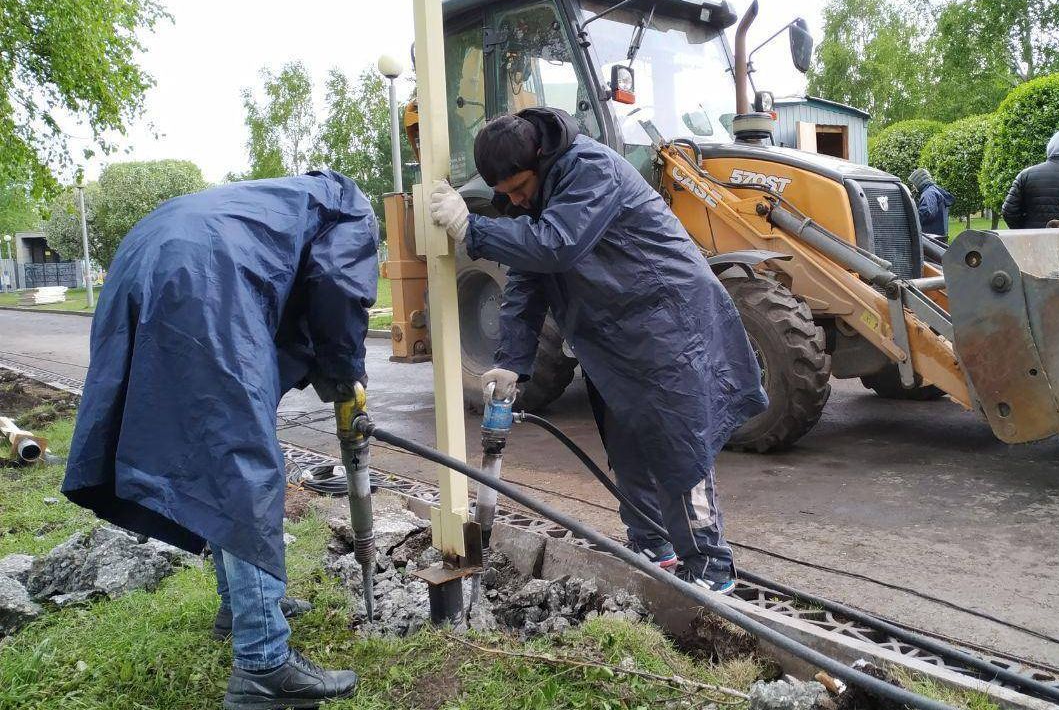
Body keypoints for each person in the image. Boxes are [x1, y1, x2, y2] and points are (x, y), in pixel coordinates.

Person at [62, 171, 378, 709]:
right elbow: (337, 289)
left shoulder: (282, 201)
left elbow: (289, 305)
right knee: (242, 462)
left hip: (143, 254)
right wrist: (346, 373)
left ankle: (240, 607)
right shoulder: (352, 208)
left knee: (220, 451)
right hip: (200, 276)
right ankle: (263, 662)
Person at [428, 108, 767, 594]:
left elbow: (556, 247)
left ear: (541, 157)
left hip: (666, 322)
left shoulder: (591, 169)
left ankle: (710, 571)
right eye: (507, 197)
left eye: (520, 187)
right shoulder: (535, 196)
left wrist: (475, 231)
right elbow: (527, 278)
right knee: (627, 449)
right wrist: (512, 363)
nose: (518, 200)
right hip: (614, 334)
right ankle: (654, 550)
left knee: (678, 449)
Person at [908, 168, 954, 240]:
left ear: (919, 182)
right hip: (939, 237)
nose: (913, 186)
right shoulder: (934, 190)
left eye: (914, 184)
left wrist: (911, 220)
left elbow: (926, 213)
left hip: (931, 240)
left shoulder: (929, 193)